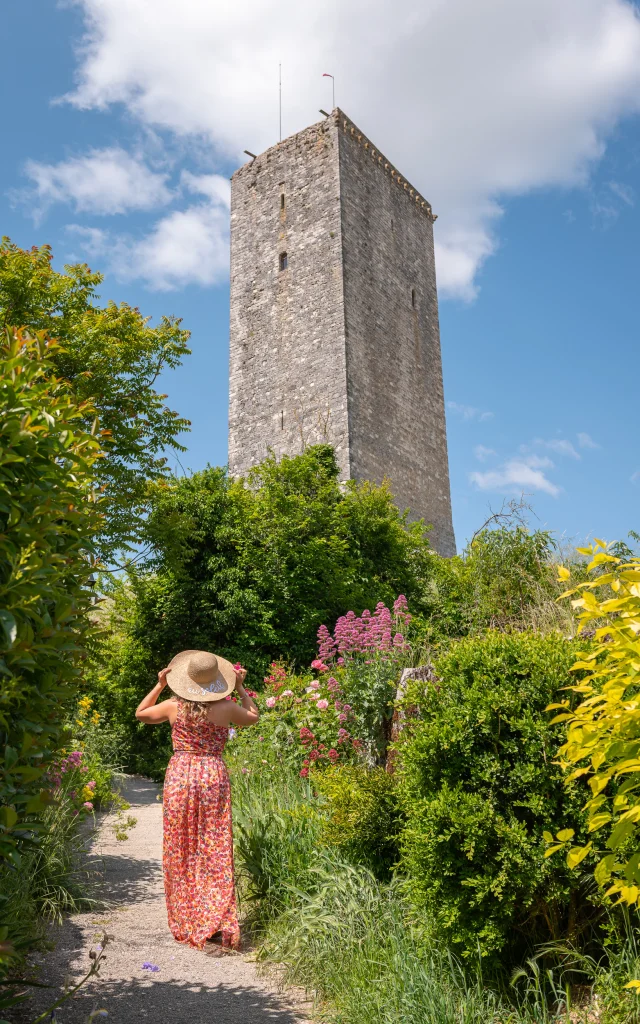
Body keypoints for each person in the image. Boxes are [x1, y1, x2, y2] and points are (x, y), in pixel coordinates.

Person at [135, 649, 259, 952]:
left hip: (180, 775)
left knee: (182, 845)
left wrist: (160, 684)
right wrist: (242, 687)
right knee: (214, 846)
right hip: (212, 774)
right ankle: (215, 918)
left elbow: (141, 713)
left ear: (184, 680)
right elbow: (253, 717)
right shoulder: (226, 708)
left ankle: (189, 918)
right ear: (218, 682)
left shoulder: (172, 707)